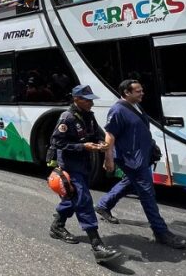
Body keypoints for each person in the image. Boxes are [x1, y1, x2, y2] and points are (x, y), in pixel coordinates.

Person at [98, 79, 186, 249]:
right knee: (147, 193)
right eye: (138, 91)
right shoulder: (117, 110)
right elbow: (110, 135)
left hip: (141, 157)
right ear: (127, 93)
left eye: (141, 90)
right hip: (132, 160)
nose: (142, 93)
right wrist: (108, 158)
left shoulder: (137, 106)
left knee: (130, 182)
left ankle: (104, 204)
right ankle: (161, 232)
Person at [48, 84, 121, 264]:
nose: (91, 103)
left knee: (73, 197)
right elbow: (56, 142)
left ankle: (57, 226)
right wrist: (83, 146)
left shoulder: (89, 116)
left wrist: (100, 144)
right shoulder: (67, 117)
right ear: (76, 99)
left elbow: (97, 133)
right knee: (83, 199)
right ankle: (97, 245)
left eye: (91, 100)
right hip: (70, 166)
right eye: (87, 100)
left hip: (84, 165)